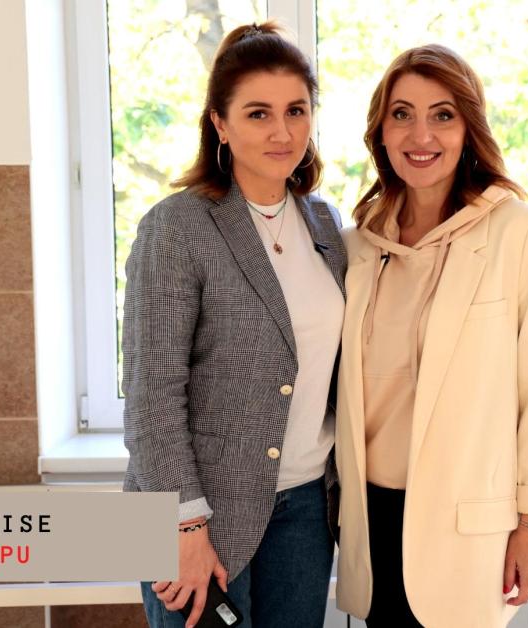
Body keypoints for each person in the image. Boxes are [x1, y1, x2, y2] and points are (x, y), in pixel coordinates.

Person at [333, 44, 528, 627]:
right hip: (370, 519)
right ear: (381, 131)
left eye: (442, 115)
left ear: (469, 128)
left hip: (467, 530)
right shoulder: (355, 246)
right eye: (402, 114)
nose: (421, 135)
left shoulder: (522, 233)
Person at [121, 22, 346, 628]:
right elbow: (150, 394)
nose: (282, 131)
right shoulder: (177, 227)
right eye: (257, 113)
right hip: (192, 511)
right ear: (220, 123)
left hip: (304, 508)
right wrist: (183, 525)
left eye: (296, 110)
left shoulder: (326, 224)